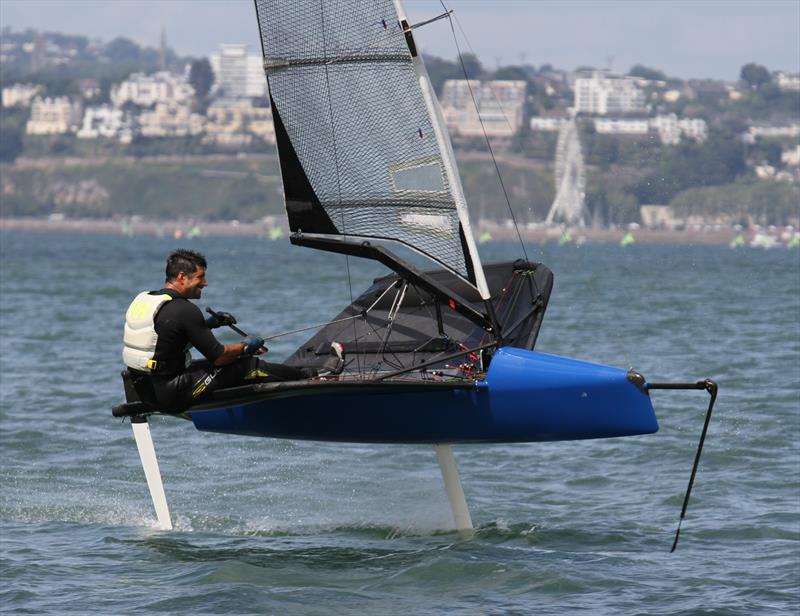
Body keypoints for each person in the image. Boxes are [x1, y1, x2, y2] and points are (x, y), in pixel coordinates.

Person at [122, 248, 344, 411]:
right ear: (182, 277)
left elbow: (166, 336)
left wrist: (210, 324)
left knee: (212, 366)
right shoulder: (184, 310)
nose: (205, 283)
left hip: (146, 389)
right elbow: (219, 357)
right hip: (171, 397)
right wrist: (246, 346)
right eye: (200, 277)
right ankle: (314, 376)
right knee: (247, 366)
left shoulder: (149, 300)